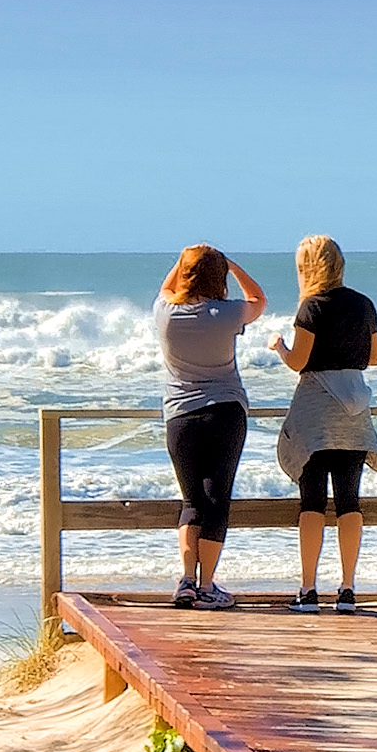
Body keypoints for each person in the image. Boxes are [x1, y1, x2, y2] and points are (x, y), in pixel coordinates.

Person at [271, 235, 377, 612]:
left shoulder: (311, 306)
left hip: (316, 414)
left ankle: (307, 590)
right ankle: (348, 589)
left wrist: (279, 347)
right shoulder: (364, 304)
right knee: (350, 499)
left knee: (313, 501)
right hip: (353, 411)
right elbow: (374, 359)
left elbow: (299, 363)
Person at [157, 243, 265, 609]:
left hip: (180, 416)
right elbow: (259, 299)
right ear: (218, 277)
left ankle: (186, 580)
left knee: (192, 500)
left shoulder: (166, 313)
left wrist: (183, 261)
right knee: (217, 499)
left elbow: (166, 289)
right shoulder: (227, 313)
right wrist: (231, 264)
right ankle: (207, 586)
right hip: (225, 413)